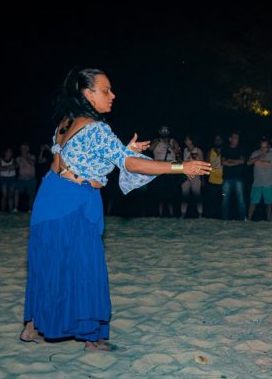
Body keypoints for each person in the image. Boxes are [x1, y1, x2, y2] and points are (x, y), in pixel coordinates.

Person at [20, 67, 210, 351]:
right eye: (105, 90)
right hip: (74, 203)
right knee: (85, 266)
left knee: (51, 262)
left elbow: (84, 158)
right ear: (88, 94)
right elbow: (130, 164)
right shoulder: (97, 129)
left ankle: (32, 327)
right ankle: (91, 338)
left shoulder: (64, 122)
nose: (112, 95)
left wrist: (123, 150)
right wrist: (181, 166)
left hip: (49, 197)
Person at [149, 126, 181, 217]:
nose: (164, 131)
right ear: (159, 131)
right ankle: (159, 214)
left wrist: (170, 146)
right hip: (158, 167)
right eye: (162, 130)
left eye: (166, 130)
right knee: (159, 191)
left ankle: (172, 214)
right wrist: (158, 142)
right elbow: (150, 149)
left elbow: (178, 152)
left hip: (171, 167)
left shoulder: (173, 141)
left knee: (172, 192)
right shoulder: (156, 140)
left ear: (169, 131)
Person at [247, 136, 272, 221]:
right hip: (256, 183)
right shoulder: (255, 153)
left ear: (268, 147)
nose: (263, 149)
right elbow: (248, 163)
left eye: (265, 147)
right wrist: (260, 156)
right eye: (261, 147)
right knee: (253, 202)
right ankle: (249, 219)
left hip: (268, 183)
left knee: (268, 203)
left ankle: (268, 220)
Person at [221, 132, 246, 220]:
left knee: (241, 199)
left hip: (238, 178)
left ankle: (243, 218)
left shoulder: (241, 149)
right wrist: (236, 162)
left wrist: (230, 161)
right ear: (230, 139)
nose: (237, 140)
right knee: (225, 199)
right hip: (227, 178)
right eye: (235, 138)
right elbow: (223, 162)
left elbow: (243, 161)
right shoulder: (225, 149)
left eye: (238, 138)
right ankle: (224, 219)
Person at [180, 134, 204, 218]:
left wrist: (197, 158)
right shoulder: (185, 150)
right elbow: (183, 162)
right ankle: (183, 213)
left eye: (187, 139)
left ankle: (200, 214)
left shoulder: (198, 150)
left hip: (196, 175)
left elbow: (202, 163)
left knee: (197, 195)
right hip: (186, 175)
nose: (185, 141)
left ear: (191, 141)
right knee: (184, 195)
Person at [205, 134, 224, 218]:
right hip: (212, 180)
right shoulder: (210, 152)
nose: (217, 141)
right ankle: (211, 219)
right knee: (211, 202)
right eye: (216, 139)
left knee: (222, 202)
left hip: (223, 181)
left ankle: (221, 218)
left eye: (219, 139)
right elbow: (206, 165)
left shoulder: (225, 151)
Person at [15, 143, 37, 212]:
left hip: (31, 179)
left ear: (28, 149)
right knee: (16, 192)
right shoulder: (18, 158)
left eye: (25, 148)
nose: (23, 150)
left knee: (31, 195)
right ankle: (15, 209)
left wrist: (26, 157)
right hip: (21, 179)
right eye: (22, 148)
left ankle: (30, 210)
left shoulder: (32, 156)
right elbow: (15, 166)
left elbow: (33, 163)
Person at [0, 147, 18, 212]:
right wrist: (9, 167)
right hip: (3, 178)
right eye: (8, 151)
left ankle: (11, 210)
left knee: (11, 195)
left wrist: (6, 167)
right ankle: (2, 210)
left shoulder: (14, 160)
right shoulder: (0, 159)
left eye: (10, 152)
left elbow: (16, 166)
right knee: (4, 195)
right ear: (5, 152)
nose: (9, 153)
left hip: (12, 178)